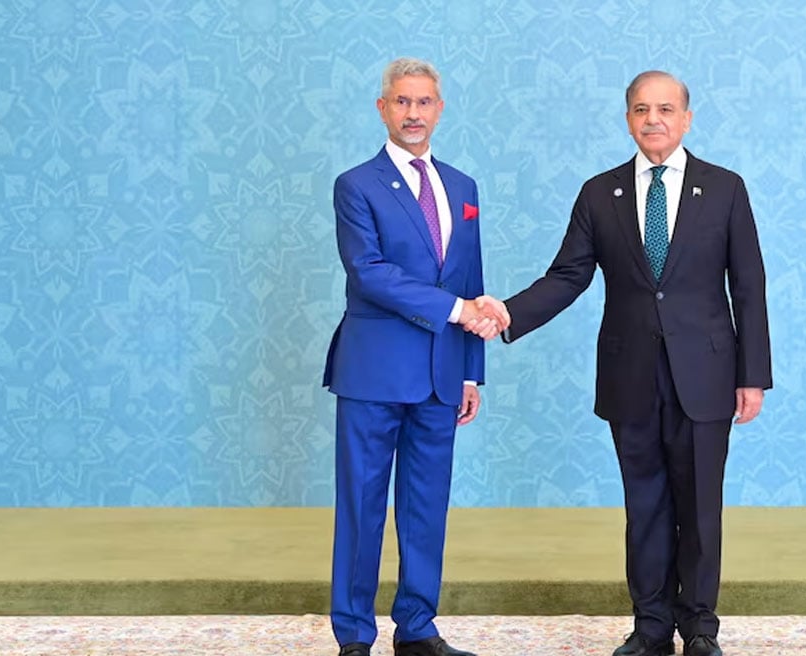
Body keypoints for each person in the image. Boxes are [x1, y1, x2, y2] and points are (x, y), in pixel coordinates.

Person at [486, 70, 772, 656]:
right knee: (644, 505)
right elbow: (568, 275)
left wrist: (753, 374)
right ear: (627, 120)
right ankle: (649, 627)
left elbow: (749, 286)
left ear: (687, 118)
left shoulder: (725, 189)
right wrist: (507, 313)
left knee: (699, 508)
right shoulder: (601, 193)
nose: (654, 119)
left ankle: (699, 628)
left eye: (666, 109)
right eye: (642, 109)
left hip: (708, 376)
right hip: (632, 374)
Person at [322, 56, 507, 656]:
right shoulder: (356, 185)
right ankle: (353, 634)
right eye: (402, 102)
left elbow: (471, 278)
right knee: (362, 507)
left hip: (442, 374)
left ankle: (418, 629)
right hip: (374, 371)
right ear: (383, 108)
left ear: (439, 109)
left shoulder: (462, 187)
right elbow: (370, 273)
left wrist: (473, 371)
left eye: (423, 102)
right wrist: (456, 312)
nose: (413, 113)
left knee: (427, 506)